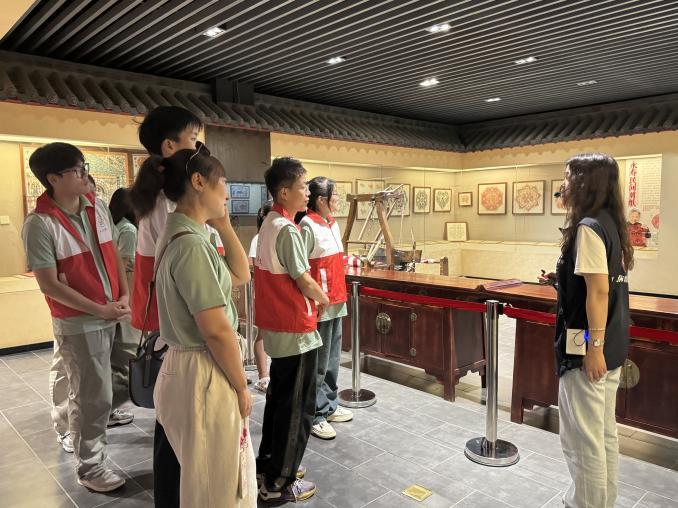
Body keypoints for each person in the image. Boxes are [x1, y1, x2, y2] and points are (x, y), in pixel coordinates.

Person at [142, 146, 256, 507]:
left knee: (202, 477)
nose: (228, 194)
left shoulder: (188, 235)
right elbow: (216, 331)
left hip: (190, 366)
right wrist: (241, 386)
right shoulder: (191, 245)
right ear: (199, 182)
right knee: (214, 488)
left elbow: (240, 274)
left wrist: (223, 225)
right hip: (203, 369)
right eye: (224, 183)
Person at [130, 106, 230, 508]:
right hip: (181, 333)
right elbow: (200, 296)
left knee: (174, 427)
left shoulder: (167, 202)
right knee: (177, 432)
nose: (200, 147)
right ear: (171, 146)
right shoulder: (172, 208)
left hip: (176, 327)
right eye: (194, 139)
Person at [22, 143, 131, 492]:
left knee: (108, 386)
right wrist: (100, 308)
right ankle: (91, 467)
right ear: (53, 178)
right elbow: (49, 284)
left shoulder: (97, 207)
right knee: (90, 395)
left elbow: (114, 257)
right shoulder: (40, 224)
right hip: (81, 322)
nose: (86, 174)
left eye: (85, 167)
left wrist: (125, 294)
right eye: (77, 170)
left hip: (114, 311)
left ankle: (90, 440)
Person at [543, 153, 633, 508]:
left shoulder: (588, 227)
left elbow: (598, 291)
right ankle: (602, 502)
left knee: (582, 442)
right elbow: (597, 283)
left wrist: (592, 348)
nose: (563, 184)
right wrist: (561, 278)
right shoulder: (610, 223)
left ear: (585, 182)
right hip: (612, 343)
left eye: (568, 176)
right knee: (603, 435)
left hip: (588, 346)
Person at [255, 157, 329, 503]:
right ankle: (278, 483)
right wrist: (324, 297)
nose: (307, 192)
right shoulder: (286, 229)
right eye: (302, 187)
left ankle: (269, 466)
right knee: (297, 410)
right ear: (284, 192)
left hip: (278, 328)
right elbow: (304, 280)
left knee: (279, 400)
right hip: (295, 329)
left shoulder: (269, 224)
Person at [297, 177, 353, 440]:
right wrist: (314, 300)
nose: (338, 199)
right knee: (318, 363)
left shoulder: (332, 223)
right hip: (320, 303)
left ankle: (328, 405)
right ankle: (315, 414)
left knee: (332, 361)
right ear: (321, 200)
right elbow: (302, 269)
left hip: (337, 300)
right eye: (335, 195)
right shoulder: (307, 225)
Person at [249, 200, 273, 393]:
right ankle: (263, 376)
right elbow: (252, 266)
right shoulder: (258, 239)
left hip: (276, 292)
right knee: (263, 333)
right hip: (265, 292)